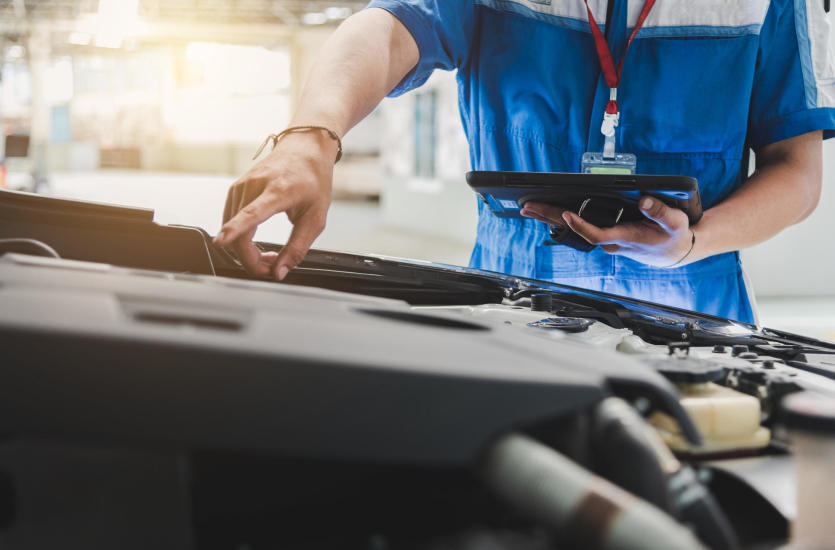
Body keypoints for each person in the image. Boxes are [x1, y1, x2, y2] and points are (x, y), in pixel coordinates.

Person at [214, 0, 835, 324]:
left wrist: (693, 240)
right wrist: (311, 137)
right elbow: (384, 29)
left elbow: (798, 172)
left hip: (691, 300)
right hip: (511, 289)